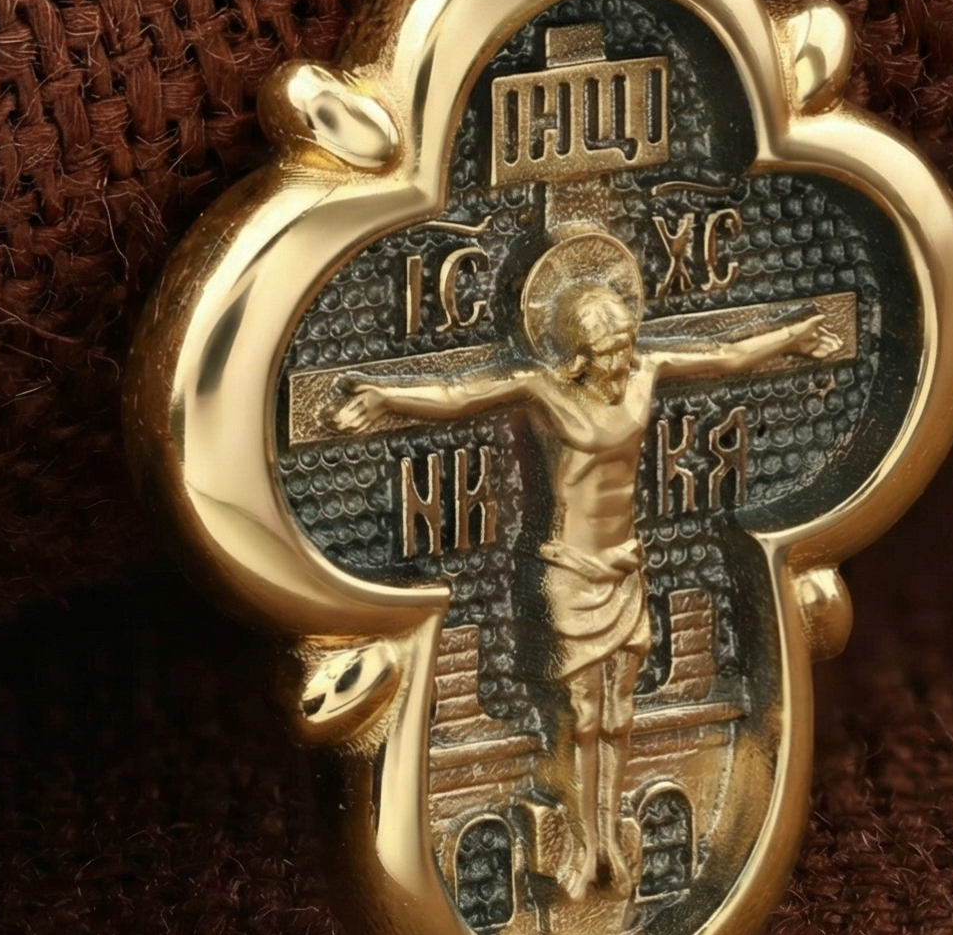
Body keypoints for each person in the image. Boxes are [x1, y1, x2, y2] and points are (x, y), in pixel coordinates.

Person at [334, 232, 844, 901]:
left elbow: (723, 353)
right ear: (577, 355)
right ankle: (582, 843)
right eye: (607, 353)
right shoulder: (545, 390)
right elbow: (460, 393)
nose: (620, 362)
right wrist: (386, 396)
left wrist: (792, 337)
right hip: (567, 573)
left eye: (625, 347)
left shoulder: (646, 371)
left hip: (625, 566)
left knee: (617, 712)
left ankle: (608, 840)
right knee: (578, 713)